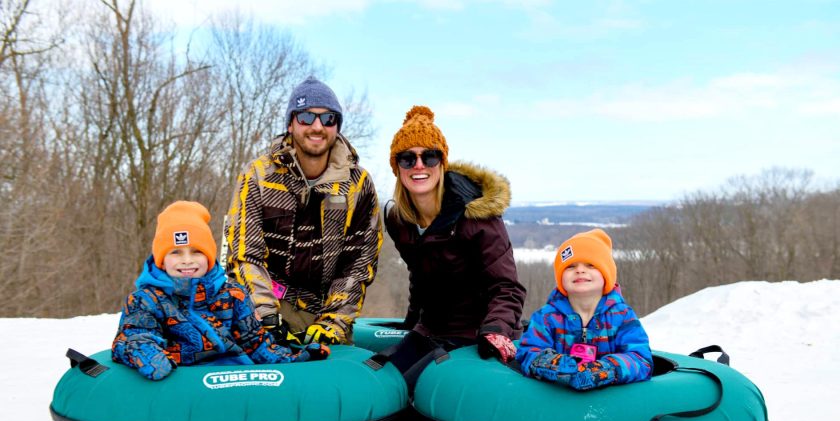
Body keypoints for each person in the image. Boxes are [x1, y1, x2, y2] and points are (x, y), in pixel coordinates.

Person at [226, 76, 382, 346]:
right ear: (291, 123)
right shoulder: (258, 175)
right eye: (307, 117)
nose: (317, 126)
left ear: (337, 126)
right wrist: (265, 315)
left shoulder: (358, 184)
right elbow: (245, 255)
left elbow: (359, 263)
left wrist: (334, 321)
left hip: (325, 311)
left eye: (328, 119)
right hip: (269, 306)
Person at [381, 105, 526, 391]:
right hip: (431, 331)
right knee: (384, 382)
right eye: (407, 158)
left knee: (420, 390)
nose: (419, 165)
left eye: (429, 156)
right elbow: (420, 276)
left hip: (477, 335)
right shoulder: (400, 220)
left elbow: (507, 287)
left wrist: (495, 330)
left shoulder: (476, 217)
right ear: (397, 168)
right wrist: (411, 322)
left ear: (442, 162)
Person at [112, 201, 329, 381]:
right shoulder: (147, 300)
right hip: (184, 384)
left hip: (234, 380)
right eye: (176, 252)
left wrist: (293, 360)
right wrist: (146, 352)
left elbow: (255, 342)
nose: (187, 260)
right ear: (161, 259)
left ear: (209, 256)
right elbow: (132, 335)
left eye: (196, 252)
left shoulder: (233, 294)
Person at [515, 228, 652, 391]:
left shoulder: (622, 316)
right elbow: (528, 352)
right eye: (571, 266)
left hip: (607, 401)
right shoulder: (546, 317)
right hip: (558, 398)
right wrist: (553, 364)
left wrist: (607, 369)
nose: (580, 270)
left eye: (591, 265)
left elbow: (641, 359)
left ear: (606, 274)